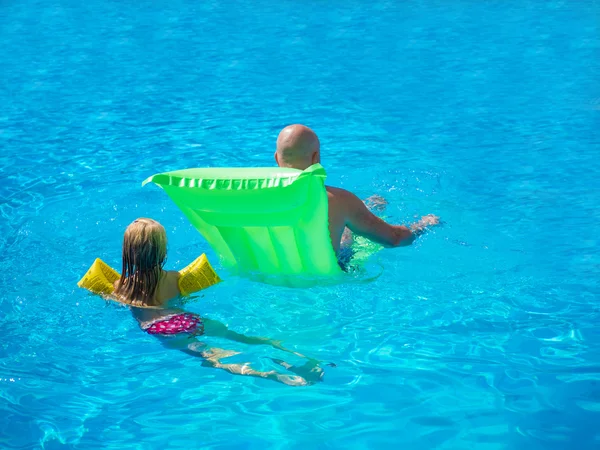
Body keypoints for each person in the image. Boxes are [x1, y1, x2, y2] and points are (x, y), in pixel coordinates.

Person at [112, 218, 325, 386]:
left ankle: (269, 375)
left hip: (161, 328)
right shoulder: (174, 277)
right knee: (243, 338)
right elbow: (184, 299)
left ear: (128, 252)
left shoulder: (120, 285)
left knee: (214, 357)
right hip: (188, 319)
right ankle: (294, 359)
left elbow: (118, 302)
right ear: (163, 251)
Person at [275, 125, 440, 268]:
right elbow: (394, 239)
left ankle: (352, 219)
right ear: (316, 157)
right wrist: (422, 225)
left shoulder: (252, 198)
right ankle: (353, 219)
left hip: (275, 274)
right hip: (331, 276)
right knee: (345, 229)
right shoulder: (337, 200)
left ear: (276, 158)